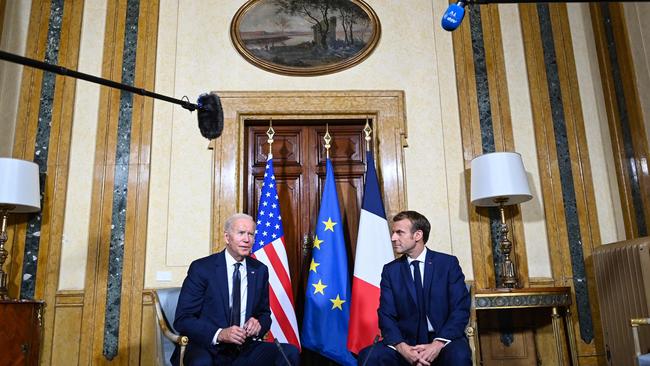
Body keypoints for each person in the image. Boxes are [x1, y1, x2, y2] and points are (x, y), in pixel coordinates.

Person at [171, 213, 299, 365]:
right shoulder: (202, 268)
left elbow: (264, 315)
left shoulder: (259, 270)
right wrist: (220, 334)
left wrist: (258, 325)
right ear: (227, 237)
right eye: (241, 233)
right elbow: (183, 319)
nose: (247, 239)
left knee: (289, 352)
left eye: (251, 234)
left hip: (243, 347)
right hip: (208, 346)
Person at [358, 210, 472, 366]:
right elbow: (386, 315)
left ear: (418, 235)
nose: (393, 238)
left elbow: (460, 309)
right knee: (369, 357)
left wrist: (437, 344)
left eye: (399, 233)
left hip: (443, 340)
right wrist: (402, 347)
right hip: (406, 342)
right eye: (393, 233)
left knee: (459, 356)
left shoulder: (447, 264)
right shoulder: (390, 271)